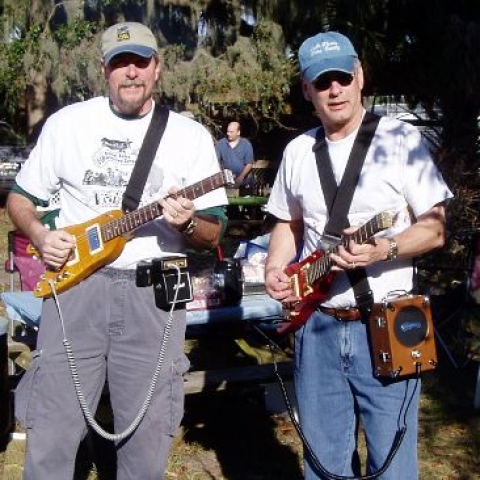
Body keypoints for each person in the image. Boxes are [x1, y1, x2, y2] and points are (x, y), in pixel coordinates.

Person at [7, 22, 228, 480]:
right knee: (52, 431)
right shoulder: (67, 124)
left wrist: (186, 222)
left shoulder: (190, 137)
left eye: (141, 62)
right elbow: (20, 200)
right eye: (120, 63)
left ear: (157, 68)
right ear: (104, 70)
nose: (131, 73)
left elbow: (214, 231)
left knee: (147, 438)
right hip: (76, 290)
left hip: (156, 295)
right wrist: (41, 235)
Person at [265, 31, 452, 480]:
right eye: (323, 81)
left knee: (394, 467)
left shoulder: (400, 141)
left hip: (389, 324)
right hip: (318, 327)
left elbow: (435, 228)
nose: (335, 90)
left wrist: (386, 247)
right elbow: (288, 225)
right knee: (324, 466)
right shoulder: (296, 152)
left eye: (343, 78)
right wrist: (275, 267)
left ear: (360, 76)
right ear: (307, 89)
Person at [215, 121, 255, 193]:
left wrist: (241, 177)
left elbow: (249, 163)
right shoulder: (221, 143)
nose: (228, 134)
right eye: (228, 131)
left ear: (238, 132)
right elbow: (216, 160)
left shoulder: (246, 144)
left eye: (231, 132)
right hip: (226, 181)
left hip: (243, 181)